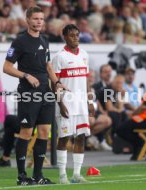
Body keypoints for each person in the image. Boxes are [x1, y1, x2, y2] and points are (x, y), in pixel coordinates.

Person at [2, 6, 66, 186]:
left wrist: (57, 82)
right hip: (28, 93)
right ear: (28, 20)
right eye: (36, 18)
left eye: (42, 19)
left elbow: (48, 66)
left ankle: (38, 176)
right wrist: (25, 75)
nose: (39, 22)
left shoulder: (45, 41)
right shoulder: (19, 42)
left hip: (46, 92)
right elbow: (6, 67)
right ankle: (21, 176)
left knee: (44, 132)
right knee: (26, 132)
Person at [51, 24, 95, 184]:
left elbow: (86, 80)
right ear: (65, 37)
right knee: (64, 138)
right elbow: (53, 83)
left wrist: (90, 101)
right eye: (71, 35)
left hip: (82, 104)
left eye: (77, 34)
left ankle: (76, 174)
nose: (75, 37)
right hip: (66, 104)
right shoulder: (59, 57)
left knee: (81, 137)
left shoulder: (84, 54)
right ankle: (62, 175)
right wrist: (60, 103)